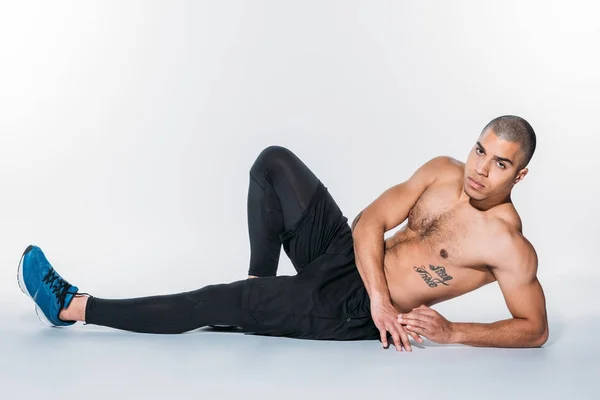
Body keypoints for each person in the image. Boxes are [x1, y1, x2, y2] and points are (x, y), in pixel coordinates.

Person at [17, 115, 549, 351]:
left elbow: (534, 328)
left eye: (499, 163)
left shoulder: (508, 245)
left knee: (213, 301)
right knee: (273, 163)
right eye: (480, 149)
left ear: (518, 175)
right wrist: (382, 292)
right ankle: (261, 296)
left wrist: (454, 333)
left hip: (349, 308)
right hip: (350, 258)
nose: (480, 168)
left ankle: (73, 306)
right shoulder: (442, 171)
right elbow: (369, 223)